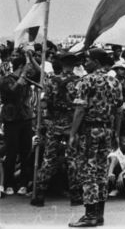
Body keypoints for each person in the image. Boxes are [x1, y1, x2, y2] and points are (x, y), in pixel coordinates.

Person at [68, 48, 123, 227]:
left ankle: (90, 215)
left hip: (90, 130)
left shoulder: (87, 81)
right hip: (107, 131)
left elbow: (80, 109)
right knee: (101, 172)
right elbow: (119, 110)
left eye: (89, 60)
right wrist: (115, 132)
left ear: (97, 62)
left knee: (88, 171)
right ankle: (99, 214)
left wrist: (72, 133)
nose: (86, 63)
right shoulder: (115, 82)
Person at [31, 51, 82, 207]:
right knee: (73, 160)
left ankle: (39, 195)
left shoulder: (51, 81)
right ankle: (75, 196)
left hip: (54, 125)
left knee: (48, 160)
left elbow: (44, 104)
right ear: (73, 65)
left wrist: (44, 121)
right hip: (71, 125)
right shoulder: (79, 82)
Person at [0, 49, 38, 197]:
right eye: (27, 66)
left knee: (25, 152)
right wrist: (22, 77)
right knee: (11, 152)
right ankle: (9, 183)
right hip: (11, 120)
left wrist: (31, 59)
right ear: (21, 66)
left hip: (26, 118)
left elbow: (40, 74)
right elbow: (12, 93)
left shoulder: (27, 79)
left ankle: (23, 183)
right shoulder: (5, 80)